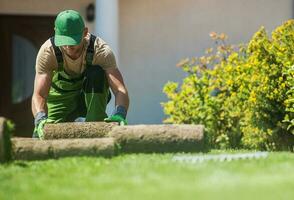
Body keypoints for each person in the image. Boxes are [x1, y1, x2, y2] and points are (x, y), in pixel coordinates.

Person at [32, 10, 129, 139]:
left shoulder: (101, 51)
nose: (67, 46)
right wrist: (40, 118)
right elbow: (39, 94)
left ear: (85, 32)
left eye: (72, 40)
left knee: (96, 73)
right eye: (63, 40)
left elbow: (119, 89)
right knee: (42, 136)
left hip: (91, 97)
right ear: (55, 31)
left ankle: (96, 124)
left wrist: (120, 113)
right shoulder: (47, 52)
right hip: (60, 99)